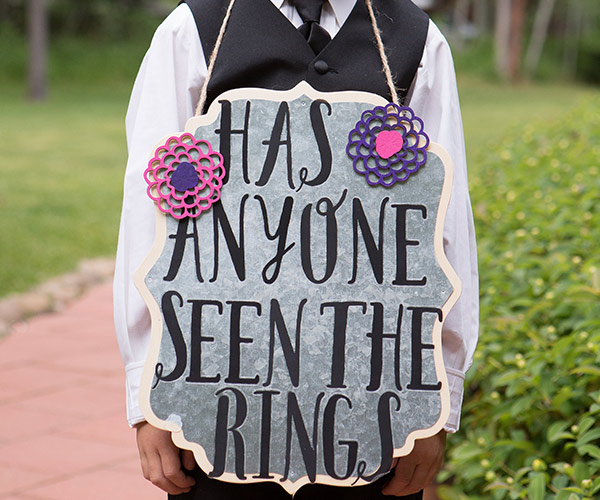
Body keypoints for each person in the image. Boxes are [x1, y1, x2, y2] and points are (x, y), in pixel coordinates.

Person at [113, 0, 479, 498]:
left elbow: (445, 222)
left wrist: (437, 399)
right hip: (218, 401)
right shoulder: (192, 31)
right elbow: (147, 214)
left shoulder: (416, 38)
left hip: (372, 412)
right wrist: (147, 392)